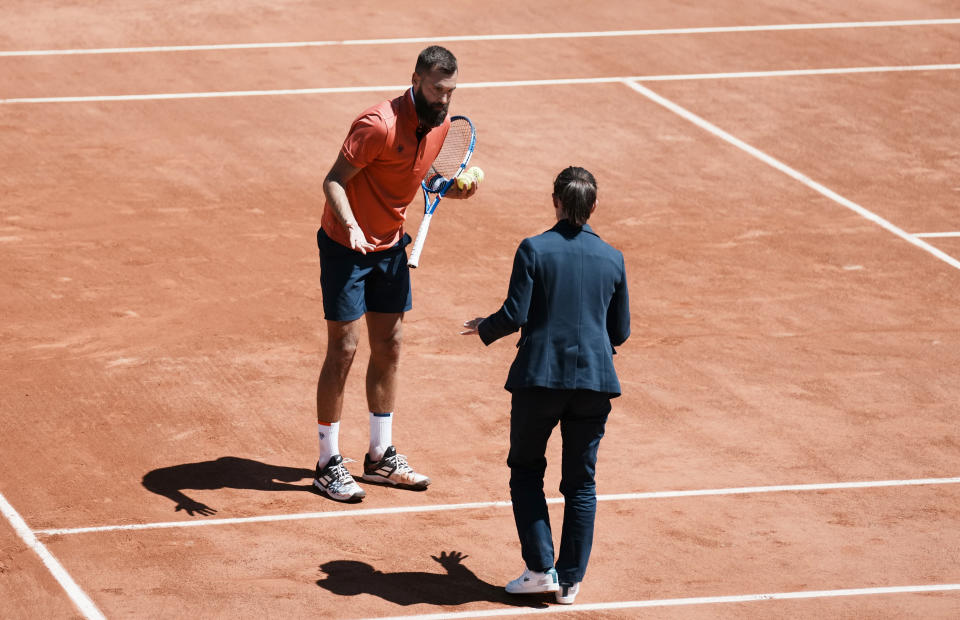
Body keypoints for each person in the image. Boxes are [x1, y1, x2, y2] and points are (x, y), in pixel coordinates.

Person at [314, 45, 480, 503]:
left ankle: (379, 455)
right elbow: (333, 180)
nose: (444, 99)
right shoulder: (377, 126)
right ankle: (328, 463)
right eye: (436, 89)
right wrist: (349, 223)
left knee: (389, 345)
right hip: (347, 247)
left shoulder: (443, 125)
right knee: (344, 349)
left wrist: (447, 187)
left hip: (389, 246)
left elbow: (417, 175)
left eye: (450, 91)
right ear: (415, 80)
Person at [461, 166, 629, 604]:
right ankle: (570, 581)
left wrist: (485, 328)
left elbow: (515, 314)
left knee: (526, 471)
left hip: (540, 381)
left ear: (554, 200)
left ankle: (540, 569)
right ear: (593, 206)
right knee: (581, 484)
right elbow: (621, 331)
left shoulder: (533, 249)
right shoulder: (613, 258)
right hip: (594, 383)